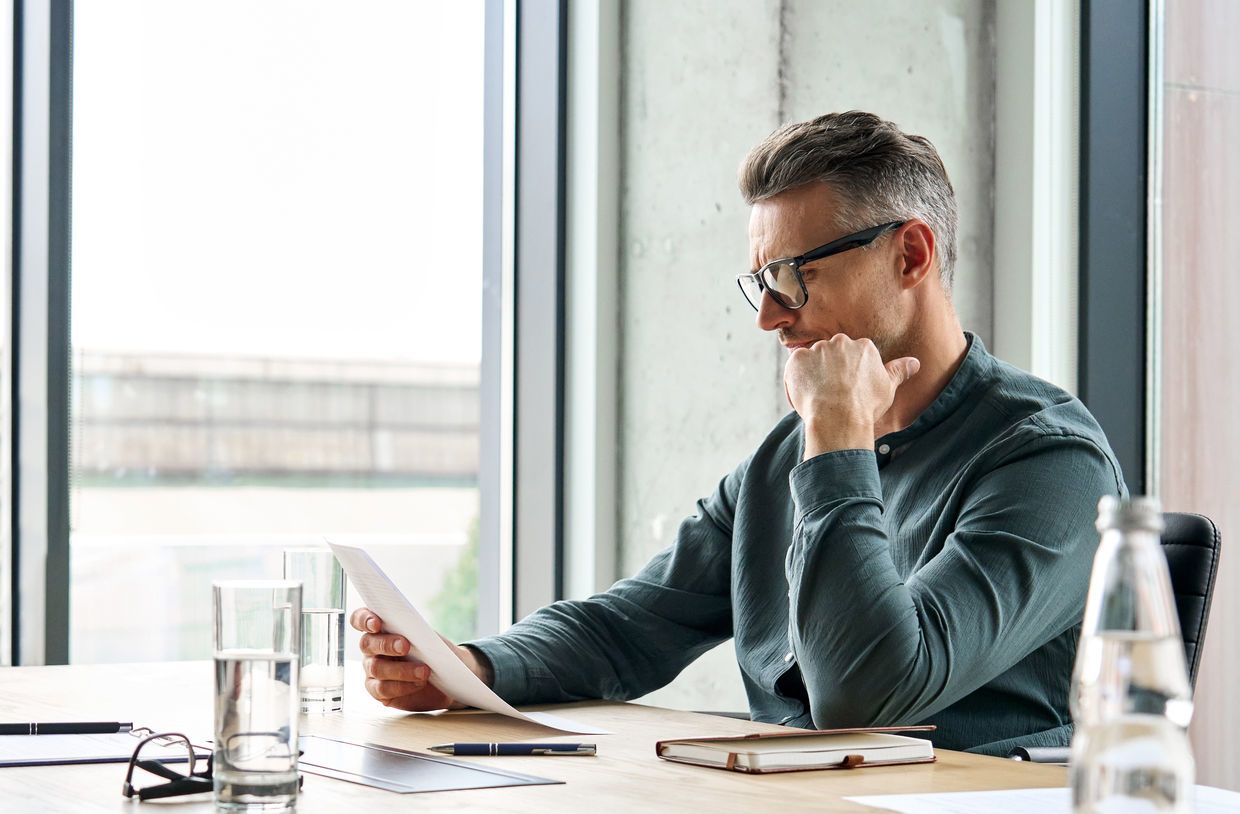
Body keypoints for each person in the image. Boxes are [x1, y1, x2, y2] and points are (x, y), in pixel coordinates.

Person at [351, 111, 1125, 756]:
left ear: (911, 254)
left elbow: (867, 695)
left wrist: (838, 442)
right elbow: (630, 626)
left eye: (795, 276)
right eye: (761, 281)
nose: (768, 315)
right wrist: (470, 665)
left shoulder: (1048, 462)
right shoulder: (787, 459)